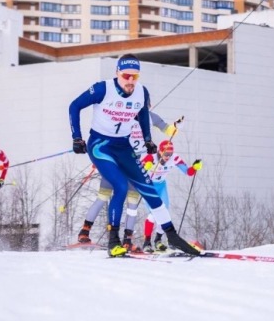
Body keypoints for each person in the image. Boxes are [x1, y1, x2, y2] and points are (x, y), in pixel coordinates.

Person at [68, 53, 200, 257]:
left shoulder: (141, 92)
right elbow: (74, 106)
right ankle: (114, 242)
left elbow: (143, 115)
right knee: (120, 186)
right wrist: (77, 137)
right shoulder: (103, 88)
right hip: (101, 145)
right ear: (117, 73)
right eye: (126, 76)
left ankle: (172, 235)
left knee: (149, 188)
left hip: (123, 146)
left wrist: (148, 140)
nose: (130, 81)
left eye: (135, 77)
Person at [76, 111, 183, 251]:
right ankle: (85, 231)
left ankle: (127, 240)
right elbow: (107, 134)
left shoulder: (150, 117)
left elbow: (167, 128)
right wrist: (100, 156)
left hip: (135, 165)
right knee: (103, 196)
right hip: (117, 161)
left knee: (132, 205)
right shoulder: (123, 115)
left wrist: (175, 127)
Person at [140, 140, 202, 252]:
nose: (168, 157)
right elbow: (136, 170)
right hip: (149, 187)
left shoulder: (175, 158)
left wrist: (195, 167)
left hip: (161, 186)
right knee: (153, 214)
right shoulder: (151, 157)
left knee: (164, 213)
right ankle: (146, 242)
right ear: (159, 151)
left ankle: (158, 240)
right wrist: (145, 167)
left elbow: (188, 172)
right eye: (166, 154)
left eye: (170, 154)